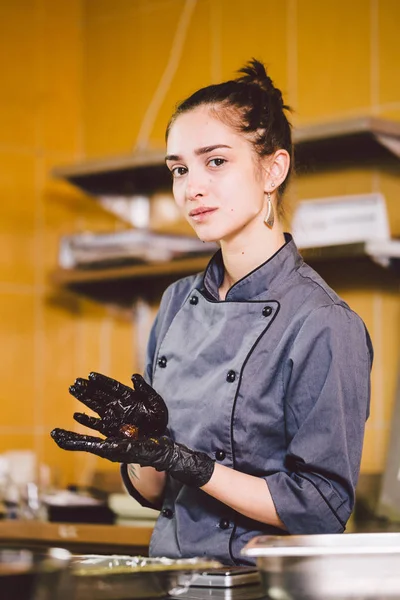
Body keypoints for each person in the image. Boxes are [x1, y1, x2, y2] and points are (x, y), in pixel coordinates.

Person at [51, 59, 373, 566]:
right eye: (179, 168)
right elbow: (156, 494)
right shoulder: (177, 303)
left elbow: (322, 506)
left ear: (274, 169)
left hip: (255, 588)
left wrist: (192, 465)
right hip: (169, 576)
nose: (190, 187)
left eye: (215, 161)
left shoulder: (322, 321)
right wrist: (141, 447)